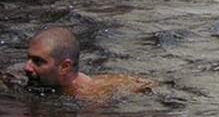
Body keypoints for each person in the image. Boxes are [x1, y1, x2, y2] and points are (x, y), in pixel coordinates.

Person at [23, 27, 152, 99]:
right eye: (28, 58)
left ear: (64, 67)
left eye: (37, 61)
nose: (27, 67)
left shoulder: (90, 98)